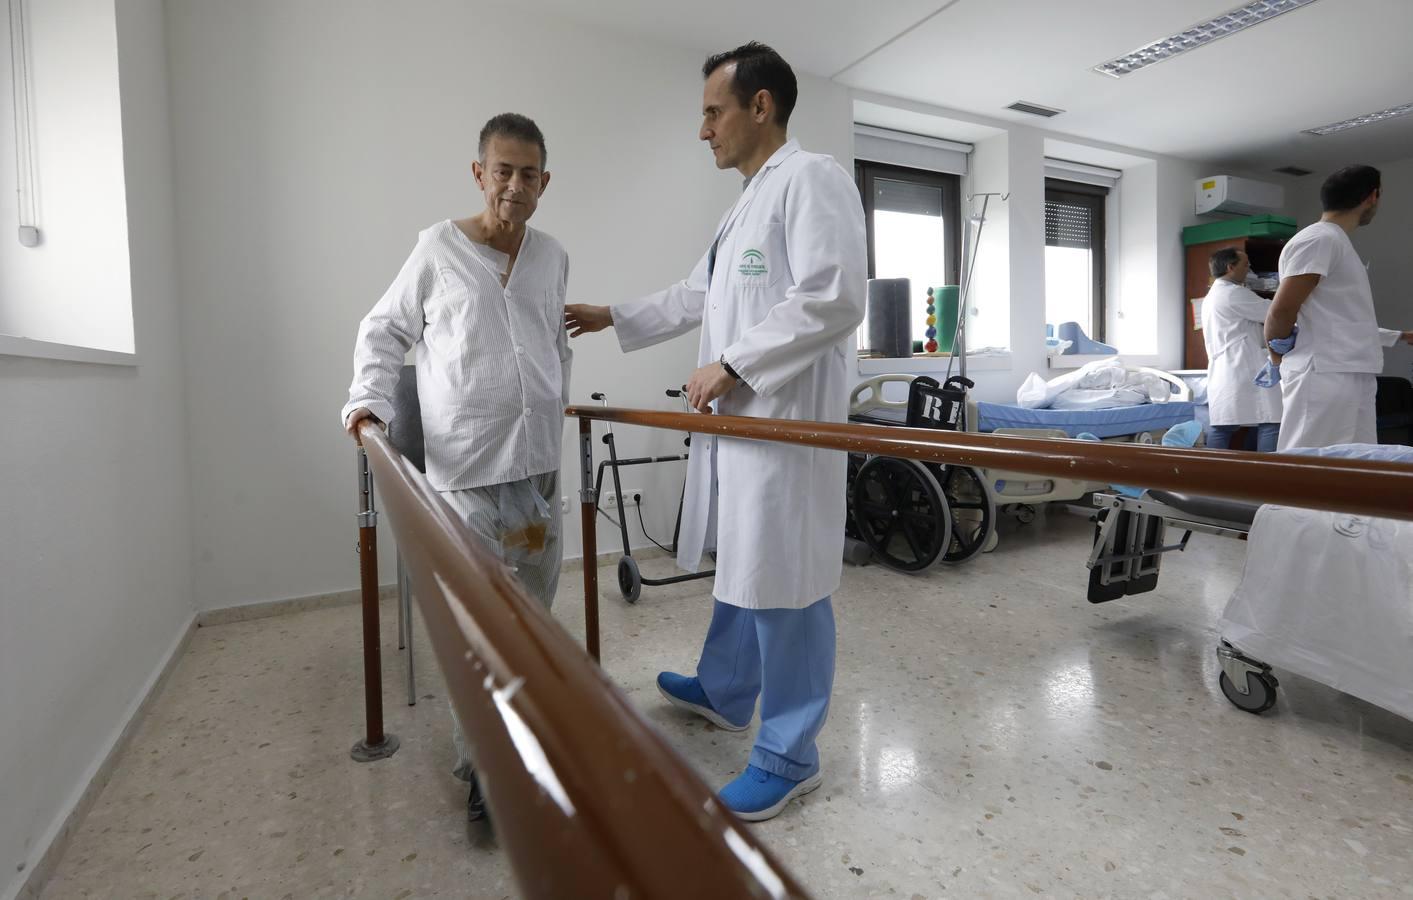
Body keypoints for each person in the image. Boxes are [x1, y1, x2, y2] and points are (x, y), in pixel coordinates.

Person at [565, 42, 866, 822]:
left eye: (712, 111)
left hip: (787, 429)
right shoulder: (744, 206)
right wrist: (612, 315)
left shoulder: (811, 179)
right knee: (746, 558)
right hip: (745, 429)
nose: (703, 129)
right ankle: (728, 692)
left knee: (788, 583)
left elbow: (834, 296)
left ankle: (789, 754)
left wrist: (733, 362)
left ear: (758, 106)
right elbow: (695, 295)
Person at [341, 113, 571, 822]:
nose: (514, 185)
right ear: (479, 174)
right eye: (502, 170)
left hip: (534, 472)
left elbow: (550, 343)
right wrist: (366, 405)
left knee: (531, 622)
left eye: (528, 173)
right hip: (465, 473)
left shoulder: (552, 254)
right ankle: (484, 776)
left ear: (544, 182)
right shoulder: (437, 249)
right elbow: (383, 330)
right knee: (479, 633)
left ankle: (530, 749)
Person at [1264, 164, 1413, 450]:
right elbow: (1281, 311)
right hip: (1324, 373)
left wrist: (1398, 336)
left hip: (1353, 371)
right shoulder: (1319, 239)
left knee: (1353, 470)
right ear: (1373, 197)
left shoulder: (1336, 242)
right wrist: (1276, 360)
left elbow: (1342, 318)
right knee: (1306, 471)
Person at [1200, 248, 1281, 451]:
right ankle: (1265, 477)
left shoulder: (1212, 295)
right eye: (1246, 265)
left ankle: (1212, 478)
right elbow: (1272, 312)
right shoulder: (1233, 293)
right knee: (1270, 421)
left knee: (1224, 427)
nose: (1249, 269)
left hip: (1226, 368)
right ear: (1230, 267)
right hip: (1242, 366)